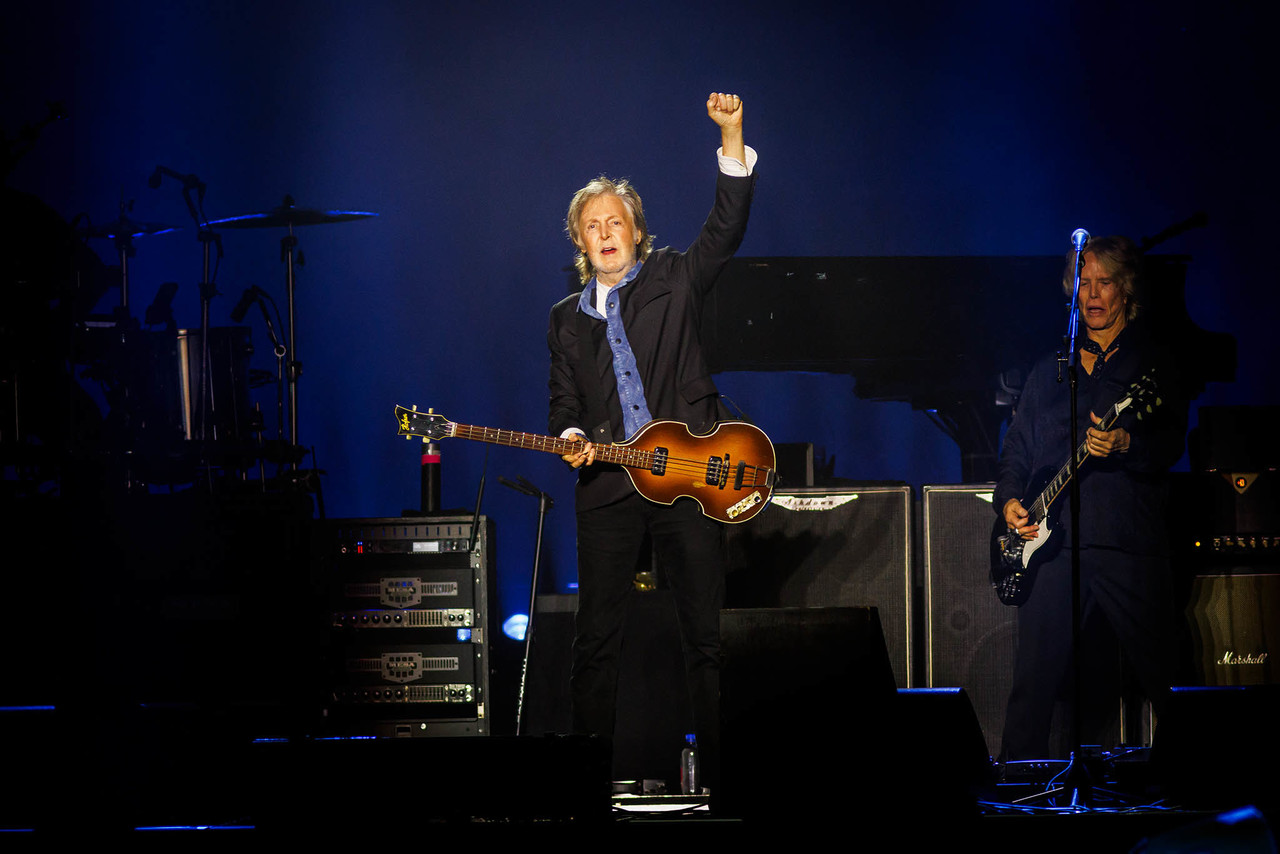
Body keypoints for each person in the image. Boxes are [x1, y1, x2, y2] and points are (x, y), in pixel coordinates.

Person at [546, 93, 757, 781]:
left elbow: (724, 230)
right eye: (591, 226)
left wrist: (731, 138)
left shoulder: (673, 278)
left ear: (637, 231)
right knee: (595, 642)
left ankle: (724, 786)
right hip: (608, 486)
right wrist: (572, 433)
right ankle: (586, 787)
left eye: (616, 221)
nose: (604, 233)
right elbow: (564, 404)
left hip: (691, 479)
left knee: (706, 638)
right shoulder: (564, 321)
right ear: (579, 242)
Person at [995, 235, 1187, 760]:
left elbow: (1171, 444)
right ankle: (1014, 796)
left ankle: (1203, 796)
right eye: (1084, 282)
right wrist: (1010, 501)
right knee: (1032, 687)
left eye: (1105, 282)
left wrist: (1126, 442)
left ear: (1126, 291)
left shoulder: (1152, 364)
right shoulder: (1048, 370)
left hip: (1127, 542)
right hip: (1052, 551)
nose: (1093, 293)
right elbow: (1015, 453)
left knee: (1168, 678)